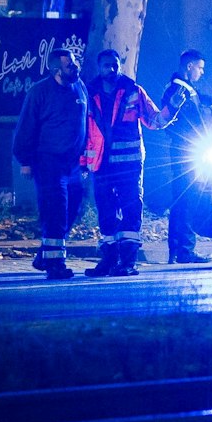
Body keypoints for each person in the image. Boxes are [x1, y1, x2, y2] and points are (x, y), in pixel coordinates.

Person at [86, 49, 175, 277]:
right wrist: (82, 163)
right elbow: (82, 131)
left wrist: (171, 108)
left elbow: (154, 121)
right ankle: (108, 260)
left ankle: (127, 262)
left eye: (115, 65)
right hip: (101, 166)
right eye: (107, 65)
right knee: (106, 213)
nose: (112, 69)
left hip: (129, 166)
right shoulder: (88, 93)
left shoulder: (133, 91)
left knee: (131, 210)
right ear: (99, 67)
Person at [10, 42, 90, 281]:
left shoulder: (80, 88)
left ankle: (46, 253)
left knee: (74, 207)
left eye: (75, 62)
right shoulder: (39, 92)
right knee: (55, 211)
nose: (75, 67)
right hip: (48, 163)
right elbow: (26, 127)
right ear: (56, 69)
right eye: (69, 65)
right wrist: (25, 160)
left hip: (74, 164)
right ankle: (56, 265)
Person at [155, 49, 212, 263]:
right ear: (189, 66)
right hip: (188, 151)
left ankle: (178, 250)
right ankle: (185, 250)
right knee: (188, 200)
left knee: (182, 200)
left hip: (185, 150)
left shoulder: (181, 88)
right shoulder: (179, 90)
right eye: (200, 68)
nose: (202, 72)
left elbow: (202, 102)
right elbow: (196, 118)